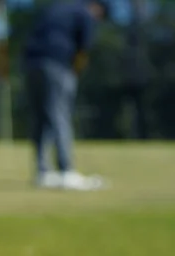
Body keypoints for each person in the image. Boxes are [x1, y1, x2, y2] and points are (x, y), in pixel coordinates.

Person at [23, 0, 111, 190]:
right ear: (98, 8)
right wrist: (75, 73)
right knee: (59, 114)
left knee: (41, 117)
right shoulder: (85, 14)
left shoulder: (56, 8)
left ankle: (43, 172)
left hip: (31, 64)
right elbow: (83, 49)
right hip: (57, 64)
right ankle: (66, 171)